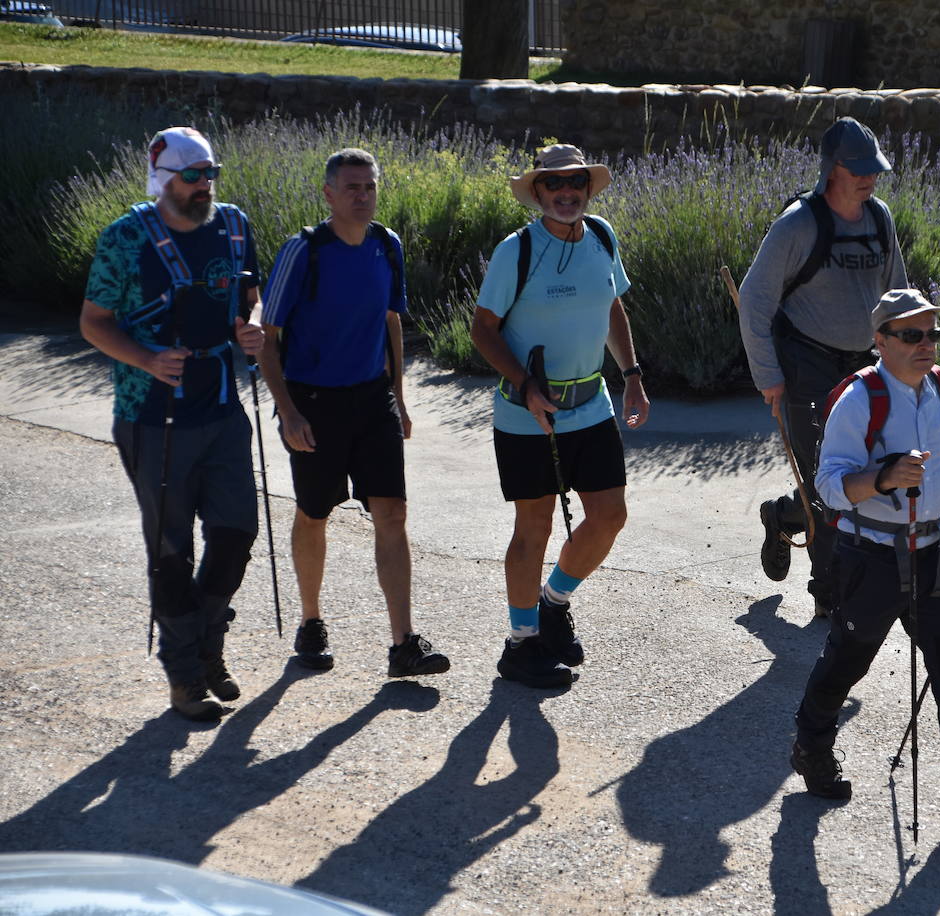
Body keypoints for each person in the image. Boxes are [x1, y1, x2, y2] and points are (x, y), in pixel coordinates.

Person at [789, 288, 940, 829]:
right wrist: (883, 477)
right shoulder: (858, 400)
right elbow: (827, 487)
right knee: (847, 661)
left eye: (933, 333)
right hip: (867, 556)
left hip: (932, 551)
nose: (926, 345)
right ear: (880, 341)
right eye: (911, 335)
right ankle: (810, 746)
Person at [79, 126, 265, 722]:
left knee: (236, 533)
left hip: (220, 406)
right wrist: (147, 358)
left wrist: (250, 327)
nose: (205, 185)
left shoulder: (234, 225)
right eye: (193, 176)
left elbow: (246, 294)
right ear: (163, 180)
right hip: (151, 416)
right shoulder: (126, 238)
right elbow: (94, 322)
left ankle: (207, 644)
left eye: (211, 172)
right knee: (171, 550)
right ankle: (185, 677)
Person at [258, 148, 449, 678]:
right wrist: (288, 413)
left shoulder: (387, 246)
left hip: (372, 400)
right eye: (351, 188)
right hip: (313, 403)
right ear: (328, 194)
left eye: (369, 187)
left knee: (392, 513)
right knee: (315, 511)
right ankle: (311, 621)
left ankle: (403, 643)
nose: (362, 197)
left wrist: (400, 398)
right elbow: (268, 341)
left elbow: (391, 322)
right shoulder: (304, 251)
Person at [470, 143, 650, 689]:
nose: (566, 193)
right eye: (554, 185)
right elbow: (482, 329)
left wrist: (633, 375)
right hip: (529, 413)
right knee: (534, 528)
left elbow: (612, 304)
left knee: (610, 516)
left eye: (575, 183)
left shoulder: (600, 236)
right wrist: (525, 386)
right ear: (539, 193)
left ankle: (554, 602)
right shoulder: (516, 251)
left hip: (591, 403)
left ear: (587, 188)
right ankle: (521, 644)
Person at [738, 116, 909, 617]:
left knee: (860, 475)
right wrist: (767, 375)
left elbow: (897, 296)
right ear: (831, 169)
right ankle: (830, 595)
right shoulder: (798, 224)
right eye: (857, 169)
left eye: (873, 169)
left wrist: (908, 358)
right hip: (806, 363)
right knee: (830, 479)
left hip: (864, 364)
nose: (868, 178)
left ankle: (783, 514)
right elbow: (754, 301)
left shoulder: (880, 218)